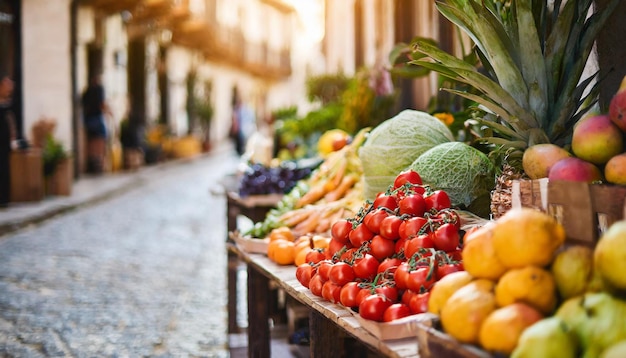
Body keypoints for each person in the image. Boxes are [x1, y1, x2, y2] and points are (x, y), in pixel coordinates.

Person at [81, 73, 110, 173]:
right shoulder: (99, 89)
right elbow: (102, 104)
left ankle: (92, 163)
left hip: (87, 120)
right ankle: (100, 164)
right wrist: (108, 113)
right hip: (97, 118)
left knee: (91, 141)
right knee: (101, 139)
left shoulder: (87, 91)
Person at [0, 71, 15, 207]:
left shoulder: (8, 101)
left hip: (4, 141)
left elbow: (10, 120)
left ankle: (4, 198)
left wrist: (13, 136)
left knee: (5, 167)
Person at [230, 90, 257, 156]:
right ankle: (241, 152)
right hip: (242, 129)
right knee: (241, 142)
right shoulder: (240, 109)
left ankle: (242, 153)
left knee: (243, 142)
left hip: (244, 128)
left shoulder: (244, 109)